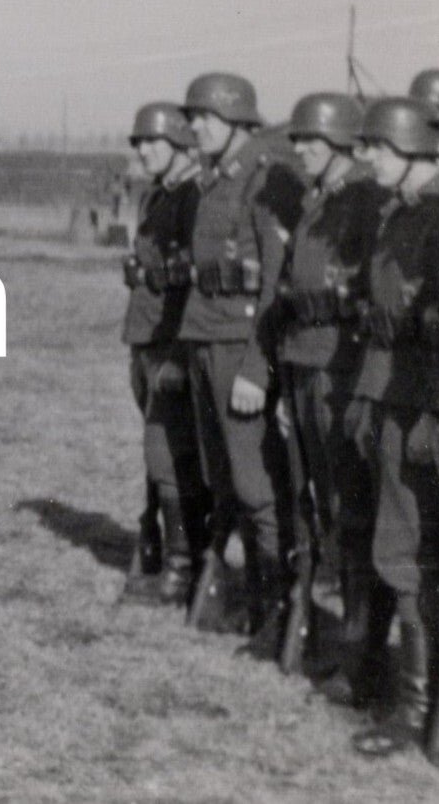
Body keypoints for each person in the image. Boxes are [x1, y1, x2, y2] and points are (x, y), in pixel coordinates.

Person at [249, 94, 384, 679]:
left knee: (350, 511)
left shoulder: (365, 200)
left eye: (311, 141)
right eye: (298, 140)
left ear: (342, 143)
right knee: (318, 504)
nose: (299, 150)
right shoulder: (318, 201)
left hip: (341, 366)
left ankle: (361, 654)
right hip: (306, 361)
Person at [176, 73, 303, 652]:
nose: (193, 125)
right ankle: (253, 605)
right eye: (192, 115)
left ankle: (280, 612)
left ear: (237, 119)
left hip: (240, 343)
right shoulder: (217, 177)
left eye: (204, 115)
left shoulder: (263, 176)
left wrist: (258, 365)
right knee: (225, 479)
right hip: (207, 337)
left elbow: (278, 280)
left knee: (256, 486)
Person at [341, 97, 439, 765]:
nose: (366, 157)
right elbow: (386, 321)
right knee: (403, 552)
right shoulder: (398, 213)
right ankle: (414, 704)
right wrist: (365, 396)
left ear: (410, 146)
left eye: (376, 146)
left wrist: (437, 412)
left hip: (428, 407)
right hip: (395, 398)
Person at [118, 102, 205, 606]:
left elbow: (195, 280)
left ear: (178, 144)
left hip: (174, 340)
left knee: (168, 452)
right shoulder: (157, 196)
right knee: (162, 453)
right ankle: (170, 554)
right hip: (147, 337)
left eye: (152, 142)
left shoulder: (195, 197)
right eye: (139, 143)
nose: (143, 150)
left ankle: (180, 568)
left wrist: (178, 351)